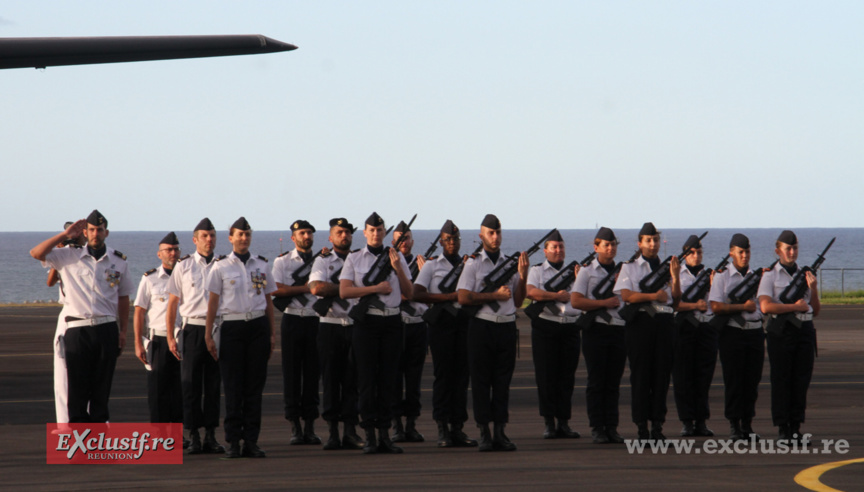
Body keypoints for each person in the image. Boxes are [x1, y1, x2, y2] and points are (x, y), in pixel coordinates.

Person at [30, 210, 133, 423]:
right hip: (77, 330)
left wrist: (123, 331)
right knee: (76, 391)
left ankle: (97, 446)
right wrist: (64, 234)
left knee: (101, 392)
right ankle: (79, 448)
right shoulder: (68, 255)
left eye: (100, 230)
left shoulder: (118, 261)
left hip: (106, 329)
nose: (96, 234)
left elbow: (123, 298)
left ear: (107, 233)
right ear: (85, 232)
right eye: (92, 230)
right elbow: (36, 253)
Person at [339, 212, 413, 454]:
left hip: (391, 323)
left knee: (388, 380)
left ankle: (385, 435)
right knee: (368, 380)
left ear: (384, 233)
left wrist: (397, 268)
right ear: (365, 233)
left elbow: (410, 293)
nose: (376, 234)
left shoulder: (396, 256)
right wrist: (375, 288)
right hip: (367, 324)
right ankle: (369, 434)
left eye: (380, 230)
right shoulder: (354, 258)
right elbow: (345, 292)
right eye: (372, 230)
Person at [204, 217, 276, 459]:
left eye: (247, 234)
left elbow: (268, 301)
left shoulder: (262, 265)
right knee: (233, 386)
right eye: (239, 235)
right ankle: (234, 441)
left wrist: (272, 332)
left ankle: (252, 441)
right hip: (232, 328)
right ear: (231, 238)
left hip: (258, 327)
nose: (244, 238)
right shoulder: (220, 266)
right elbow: (213, 301)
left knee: (254, 387)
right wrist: (208, 333)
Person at [456, 214, 529, 452]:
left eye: (498, 232)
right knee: (480, 381)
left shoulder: (509, 264)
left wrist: (524, 274)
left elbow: (518, 301)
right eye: (490, 233)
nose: (495, 237)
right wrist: (493, 296)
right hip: (482, 327)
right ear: (481, 236)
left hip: (506, 325)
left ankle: (500, 431)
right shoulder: (473, 264)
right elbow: (464, 297)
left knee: (502, 382)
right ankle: (484, 432)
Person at [414, 220, 478, 448]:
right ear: (441, 242)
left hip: (463, 323)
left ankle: (457, 427)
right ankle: (442, 427)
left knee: (462, 377)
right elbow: (418, 294)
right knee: (443, 376)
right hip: (441, 324)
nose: (452, 243)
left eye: (455, 239)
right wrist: (448, 298)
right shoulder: (432, 266)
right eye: (448, 239)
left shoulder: (470, 265)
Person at [165, 217, 225, 454]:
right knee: (190, 385)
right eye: (204, 236)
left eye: (212, 235)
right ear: (195, 239)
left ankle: (210, 434)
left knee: (212, 384)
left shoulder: (223, 265)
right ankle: (194, 436)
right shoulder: (184, 265)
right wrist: (171, 336)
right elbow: (172, 303)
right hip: (192, 329)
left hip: (217, 329)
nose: (209, 240)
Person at [614, 222, 675, 441]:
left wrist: (675, 277)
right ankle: (641, 428)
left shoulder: (667, 267)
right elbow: (627, 296)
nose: (653, 244)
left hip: (664, 323)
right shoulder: (629, 267)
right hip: (640, 325)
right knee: (641, 377)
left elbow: (675, 297)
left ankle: (657, 427)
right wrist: (652, 296)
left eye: (656, 240)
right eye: (648, 240)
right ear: (640, 243)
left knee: (661, 377)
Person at [758, 230, 819, 442]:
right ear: (778, 251)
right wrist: (793, 306)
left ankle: (796, 427)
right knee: (782, 380)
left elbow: (815, 309)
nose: (792, 252)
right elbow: (765, 307)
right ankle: (783, 429)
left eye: (795, 248)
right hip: (781, 333)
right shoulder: (769, 275)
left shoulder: (804, 274)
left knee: (801, 380)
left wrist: (814, 289)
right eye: (788, 249)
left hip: (804, 331)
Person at [308, 218, 363, 451]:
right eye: (339, 232)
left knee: (353, 381)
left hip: (354, 325)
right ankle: (332, 433)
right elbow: (316, 288)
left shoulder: (360, 260)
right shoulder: (323, 260)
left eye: (348, 232)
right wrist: (345, 290)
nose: (344, 236)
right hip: (330, 325)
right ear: (330, 237)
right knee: (331, 380)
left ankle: (350, 431)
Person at [571, 227, 627, 444]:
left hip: (618, 330)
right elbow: (576, 301)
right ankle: (597, 427)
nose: (611, 248)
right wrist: (603, 303)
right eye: (606, 245)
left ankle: (612, 426)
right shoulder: (587, 272)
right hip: (596, 330)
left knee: (613, 382)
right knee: (597, 382)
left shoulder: (623, 272)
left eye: (613, 245)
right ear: (596, 248)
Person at [525, 230, 582, 440]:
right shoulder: (538, 271)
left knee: (567, 378)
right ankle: (549, 423)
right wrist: (555, 296)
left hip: (570, 327)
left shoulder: (575, 271)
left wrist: (579, 279)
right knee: (547, 377)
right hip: (546, 328)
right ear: (545, 250)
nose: (559, 251)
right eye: (554, 247)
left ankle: (564, 423)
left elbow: (582, 293)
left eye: (561, 247)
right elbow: (531, 292)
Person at [709, 233, 764, 441]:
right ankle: (734, 426)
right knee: (734, 381)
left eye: (747, 252)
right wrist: (742, 306)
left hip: (755, 332)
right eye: (741, 252)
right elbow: (715, 306)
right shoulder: (722, 277)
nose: (745, 256)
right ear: (732, 252)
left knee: (751, 382)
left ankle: (747, 425)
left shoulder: (757, 277)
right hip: (732, 333)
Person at [272, 220, 322, 445]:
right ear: (293, 238)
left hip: (315, 320)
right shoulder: (282, 261)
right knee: (291, 374)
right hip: (292, 319)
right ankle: (295, 426)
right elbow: (277, 289)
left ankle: (310, 426)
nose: (307, 236)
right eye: (302, 233)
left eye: (310, 232)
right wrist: (306, 288)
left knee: (312, 375)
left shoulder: (322, 260)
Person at [670, 235, 718, 437]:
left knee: (703, 377)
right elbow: (673, 303)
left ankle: (701, 421)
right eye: (692, 253)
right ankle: (687, 421)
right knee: (683, 377)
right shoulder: (677, 275)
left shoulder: (710, 275)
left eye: (699, 252)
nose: (696, 256)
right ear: (685, 255)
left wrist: (715, 284)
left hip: (705, 329)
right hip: (684, 329)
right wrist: (694, 306)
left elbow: (715, 302)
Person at [133, 232, 183, 424]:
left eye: (176, 249)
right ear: (159, 254)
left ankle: (179, 433)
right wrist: (138, 343)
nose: (173, 253)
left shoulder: (186, 277)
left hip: (181, 339)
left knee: (181, 389)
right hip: (159, 341)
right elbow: (139, 312)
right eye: (168, 250)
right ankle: (160, 435)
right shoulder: (150, 279)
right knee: (158, 391)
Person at [45, 221, 86, 427]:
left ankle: (90, 420)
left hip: (86, 315)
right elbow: (50, 282)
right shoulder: (63, 256)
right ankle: (63, 423)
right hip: (68, 314)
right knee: (62, 373)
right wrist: (60, 253)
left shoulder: (86, 255)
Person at [391, 221, 429, 443]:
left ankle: (411, 425)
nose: (403, 242)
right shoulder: (386, 263)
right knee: (395, 378)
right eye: (399, 238)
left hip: (417, 325)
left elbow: (428, 293)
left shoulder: (423, 264)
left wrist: (426, 274)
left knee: (414, 380)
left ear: (412, 241)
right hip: (396, 325)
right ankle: (396, 425)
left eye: (407, 238)